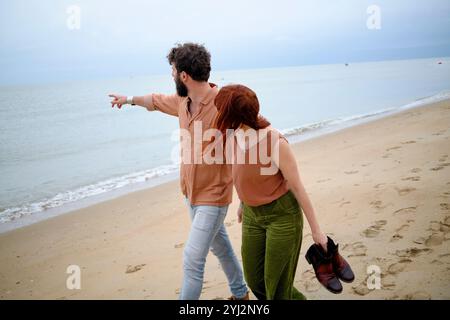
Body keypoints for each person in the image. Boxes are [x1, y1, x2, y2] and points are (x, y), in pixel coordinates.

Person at [108, 43, 248, 300]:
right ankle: (241, 294)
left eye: (173, 70)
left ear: (184, 75)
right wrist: (128, 100)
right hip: (190, 194)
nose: (171, 75)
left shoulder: (224, 104)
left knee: (192, 260)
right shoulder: (183, 102)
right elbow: (155, 100)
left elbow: (243, 152)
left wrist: (245, 199)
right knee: (222, 248)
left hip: (214, 199)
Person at [213, 84, 330, 300]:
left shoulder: (275, 142)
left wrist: (317, 231)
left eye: (220, 109)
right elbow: (243, 174)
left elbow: (297, 187)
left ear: (232, 115)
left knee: (275, 288)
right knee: (255, 281)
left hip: (282, 216)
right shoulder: (231, 137)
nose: (217, 113)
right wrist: (242, 203)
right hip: (251, 216)